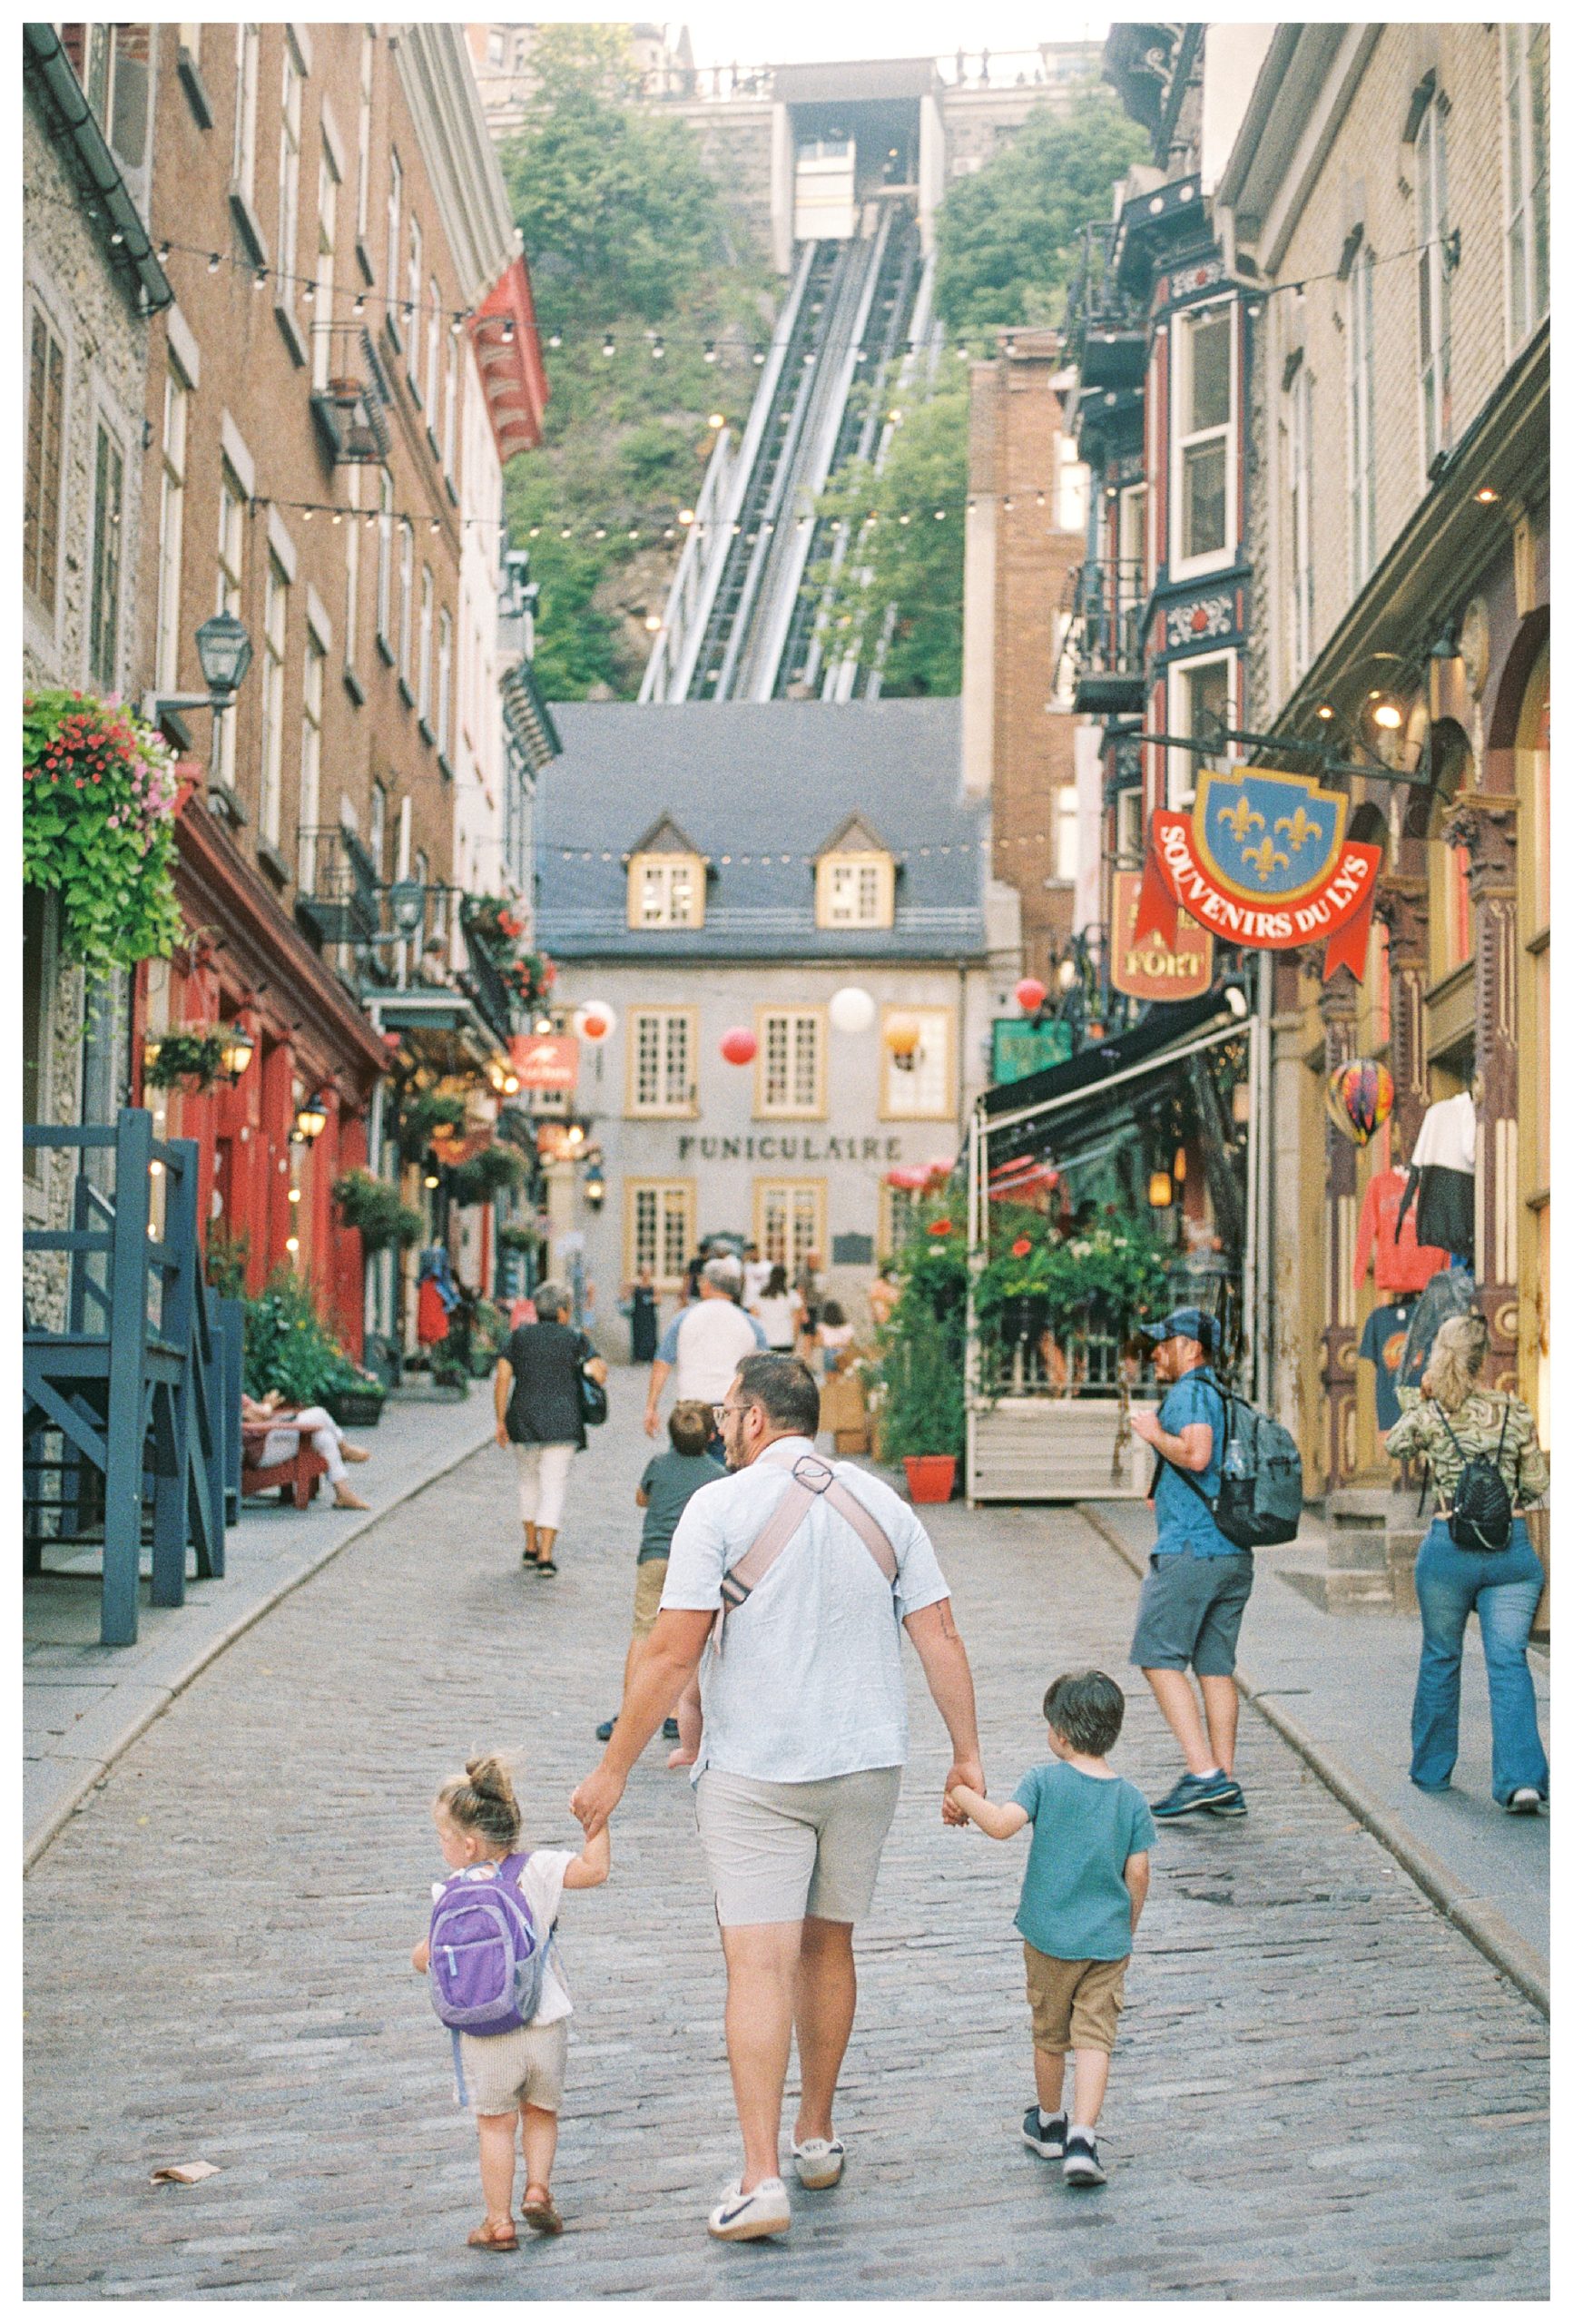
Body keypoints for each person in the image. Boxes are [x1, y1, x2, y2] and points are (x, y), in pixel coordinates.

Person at [571, 1353, 984, 2244]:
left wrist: (613, 1769)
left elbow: (673, 1649)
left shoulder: (714, 1508)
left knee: (758, 1962)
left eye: (726, 1414)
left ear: (753, 1418)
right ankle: (817, 2134)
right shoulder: (884, 1503)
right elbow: (938, 1634)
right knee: (829, 1944)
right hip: (865, 1759)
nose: (720, 1428)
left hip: (757, 1765)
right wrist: (966, 1755)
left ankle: (760, 2176)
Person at [946, 1669, 1154, 2189]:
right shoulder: (1130, 1799)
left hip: (1049, 1939)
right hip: (1106, 1942)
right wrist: (1125, 1927)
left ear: (1060, 1733)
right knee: (1095, 2038)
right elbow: (1139, 1873)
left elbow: (999, 1825)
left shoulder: (1043, 1780)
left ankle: (1049, 2122)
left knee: (1050, 2034)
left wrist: (960, 1795)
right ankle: (1084, 2137)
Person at [412, 1755, 609, 2248]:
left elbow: (426, 1958)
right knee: (541, 2112)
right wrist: (597, 1823)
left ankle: (498, 2222)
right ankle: (539, 2190)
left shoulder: (451, 1890)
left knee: (495, 2127)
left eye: (443, 1838)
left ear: (469, 1845)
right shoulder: (540, 1867)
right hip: (546, 2021)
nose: (441, 1847)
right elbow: (595, 1870)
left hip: (488, 2031)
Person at [1384, 1312, 1549, 1811]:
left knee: (1441, 1656)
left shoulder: (1432, 1413)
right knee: (1508, 1659)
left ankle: (1433, 1771)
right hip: (1511, 1552)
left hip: (1449, 1551)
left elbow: (1394, 1444)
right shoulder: (1514, 1410)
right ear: (1484, 1360)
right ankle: (1521, 1780)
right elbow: (1539, 1486)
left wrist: (1424, 1397)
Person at [1126, 1308, 1253, 1820]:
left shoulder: (1193, 1392)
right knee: (1215, 1668)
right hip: (1230, 1553)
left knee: (1156, 1657)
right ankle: (1223, 1782)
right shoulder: (1220, 1394)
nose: (1156, 1352)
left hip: (1192, 1551)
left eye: (1164, 1343)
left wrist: (1153, 1433)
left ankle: (1203, 1773)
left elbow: (1197, 1455)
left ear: (1191, 1348)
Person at [595, 1401, 724, 1747]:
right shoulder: (717, 1475)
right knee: (691, 1636)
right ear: (712, 1436)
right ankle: (675, 1714)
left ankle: (628, 1711)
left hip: (653, 1558)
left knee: (642, 1632)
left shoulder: (658, 1464)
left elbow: (641, 1498)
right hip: (693, 1562)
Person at [494, 1281, 609, 1576]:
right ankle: (546, 1555)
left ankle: (530, 1547)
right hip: (563, 1422)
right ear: (561, 1311)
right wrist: (584, 1368)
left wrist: (500, 1419)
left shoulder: (519, 1338)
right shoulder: (574, 1339)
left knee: (528, 1482)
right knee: (553, 1485)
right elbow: (599, 1372)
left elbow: (503, 1377)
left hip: (524, 1419)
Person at [644, 1256, 766, 1440]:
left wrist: (651, 1406)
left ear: (706, 1285)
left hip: (690, 1406)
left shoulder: (683, 1318)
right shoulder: (750, 1323)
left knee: (687, 1464)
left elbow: (662, 1362)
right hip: (732, 1408)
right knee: (731, 1465)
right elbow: (765, 1369)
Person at [240, 1391, 371, 1512]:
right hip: (260, 1450)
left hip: (264, 1441)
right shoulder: (231, 1393)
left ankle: (343, 1493)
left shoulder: (230, 1390)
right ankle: (343, 1448)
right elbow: (260, 1414)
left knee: (323, 1436)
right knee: (319, 1414)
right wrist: (267, 1406)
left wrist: (263, 1410)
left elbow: (257, 1415)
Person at [749, 1262, 802, 1355]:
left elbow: (753, 1318)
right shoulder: (792, 1295)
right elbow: (796, 1321)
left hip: (766, 1339)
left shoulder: (760, 1295)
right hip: (786, 1339)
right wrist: (795, 1340)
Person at [624, 1263, 660, 1364]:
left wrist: (651, 1300)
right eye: (644, 1272)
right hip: (638, 1315)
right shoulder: (636, 1286)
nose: (646, 1274)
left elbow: (659, 1299)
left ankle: (650, 1357)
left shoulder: (653, 1286)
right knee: (638, 1335)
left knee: (650, 1336)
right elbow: (625, 1294)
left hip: (649, 1315)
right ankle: (638, 1357)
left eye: (648, 1272)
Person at [792, 1249, 824, 1358]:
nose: (817, 1261)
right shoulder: (804, 1273)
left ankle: (808, 1358)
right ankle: (806, 1360)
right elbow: (800, 1292)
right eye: (815, 1259)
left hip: (817, 1307)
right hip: (808, 1308)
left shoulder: (818, 1272)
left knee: (813, 1335)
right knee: (808, 1335)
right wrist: (803, 1311)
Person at [816, 1300, 854, 1374]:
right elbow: (849, 1343)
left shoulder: (821, 1326)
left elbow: (819, 1343)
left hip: (829, 1352)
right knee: (844, 1375)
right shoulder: (848, 1326)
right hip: (843, 1352)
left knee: (830, 1377)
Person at [741, 1241, 772, 1309]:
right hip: (748, 1302)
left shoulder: (768, 1265)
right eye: (749, 1252)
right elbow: (742, 1282)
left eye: (753, 1252)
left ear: (757, 1251)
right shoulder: (746, 1266)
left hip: (763, 1302)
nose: (751, 1254)